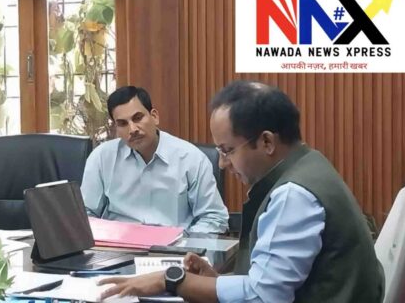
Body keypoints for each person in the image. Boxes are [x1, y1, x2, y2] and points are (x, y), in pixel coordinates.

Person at [100, 80, 384, 303]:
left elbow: (264, 297)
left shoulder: (293, 195)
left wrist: (172, 279)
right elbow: (268, 282)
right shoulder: (309, 162)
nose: (222, 163)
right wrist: (212, 282)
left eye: (227, 150)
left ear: (267, 142)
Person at [81, 85, 228, 232]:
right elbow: (85, 214)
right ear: (116, 128)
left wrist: (186, 241)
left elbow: (214, 217)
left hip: (175, 244)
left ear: (154, 116)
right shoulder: (101, 158)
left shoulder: (191, 158)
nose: (132, 129)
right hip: (118, 243)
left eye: (138, 118)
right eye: (123, 124)